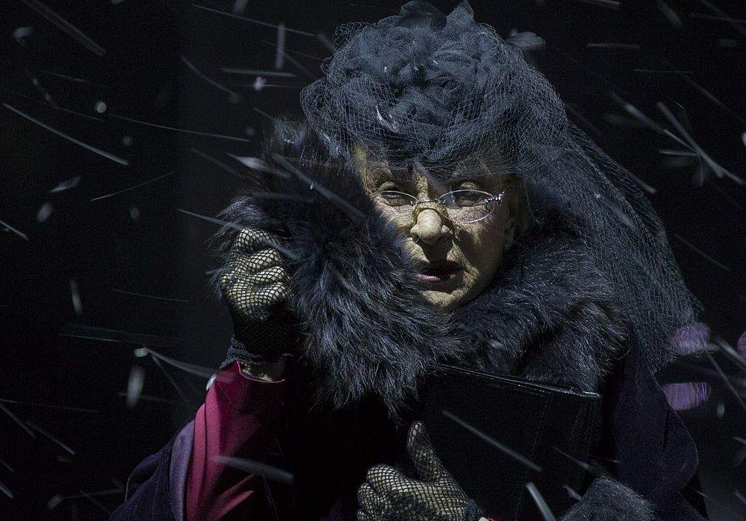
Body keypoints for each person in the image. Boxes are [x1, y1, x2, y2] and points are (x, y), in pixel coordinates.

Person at [109, 2, 708, 520]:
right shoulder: (305, 342)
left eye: (465, 192)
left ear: (513, 211)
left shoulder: (588, 354)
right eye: (395, 192)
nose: (429, 228)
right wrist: (255, 368)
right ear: (354, 202)